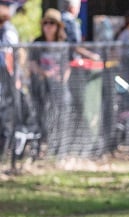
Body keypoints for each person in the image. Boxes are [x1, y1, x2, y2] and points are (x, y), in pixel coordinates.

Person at [29, 8, 70, 157]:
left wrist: (61, 80)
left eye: (51, 23)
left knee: (60, 114)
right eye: (45, 23)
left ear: (57, 26)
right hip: (41, 87)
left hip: (58, 88)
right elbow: (31, 63)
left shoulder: (63, 43)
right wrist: (44, 73)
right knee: (41, 117)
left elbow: (67, 66)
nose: (48, 26)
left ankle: (58, 146)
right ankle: (40, 146)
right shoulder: (37, 42)